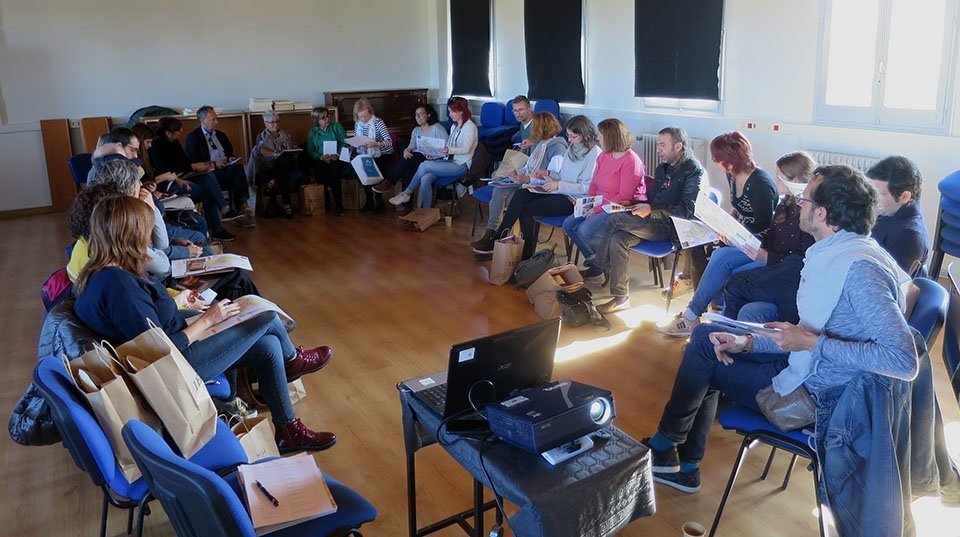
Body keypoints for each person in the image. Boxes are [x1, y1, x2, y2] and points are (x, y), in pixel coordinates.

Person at [642, 164, 914, 496]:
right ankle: (676, 459)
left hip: (818, 401)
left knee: (702, 348)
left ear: (823, 213)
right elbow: (800, 338)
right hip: (806, 369)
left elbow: (903, 360)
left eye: (806, 199)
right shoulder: (841, 252)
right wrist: (746, 343)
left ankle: (671, 453)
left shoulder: (858, 271)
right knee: (710, 339)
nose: (799, 203)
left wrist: (813, 343)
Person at [74, 195, 339, 453]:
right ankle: (292, 360)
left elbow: (147, 326)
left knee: (269, 344)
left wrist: (190, 311)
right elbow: (156, 353)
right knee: (266, 317)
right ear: (131, 234)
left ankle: (287, 430)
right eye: (146, 229)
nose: (150, 238)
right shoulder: (120, 285)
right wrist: (206, 321)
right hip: (175, 369)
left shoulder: (102, 273)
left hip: (179, 352)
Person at [658, 151, 816, 335]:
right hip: (767, 252)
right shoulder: (787, 202)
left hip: (777, 264)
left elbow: (798, 262)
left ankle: (711, 322)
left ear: (795, 180)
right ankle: (693, 316)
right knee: (721, 254)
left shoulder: (807, 214)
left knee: (730, 272)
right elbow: (772, 233)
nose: (776, 180)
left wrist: (766, 255)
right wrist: (738, 238)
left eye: (780, 177)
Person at [589, 127, 704, 313]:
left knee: (614, 220)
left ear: (678, 146)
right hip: (652, 222)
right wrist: (633, 203)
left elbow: (686, 211)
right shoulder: (663, 168)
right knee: (618, 238)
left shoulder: (692, 170)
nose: (658, 149)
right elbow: (653, 198)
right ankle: (621, 298)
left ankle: (599, 261)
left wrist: (652, 210)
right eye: (658, 144)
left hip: (671, 227)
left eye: (662, 145)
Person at [484, 115, 601, 260]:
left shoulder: (594, 153)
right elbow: (563, 174)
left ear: (585, 134)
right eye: (568, 136)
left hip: (575, 200)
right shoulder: (572, 148)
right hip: (561, 191)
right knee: (521, 194)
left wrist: (558, 184)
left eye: (573, 136)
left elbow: (587, 187)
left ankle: (523, 253)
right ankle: (500, 235)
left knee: (527, 210)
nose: (569, 140)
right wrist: (548, 173)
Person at [469, 112, 568, 253]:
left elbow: (553, 179)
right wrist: (518, 173)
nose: (532, 130)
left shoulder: (557, 148)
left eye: (535, 127)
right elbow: (529, 166)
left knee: (520, 198)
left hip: (548, 190)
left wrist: (527, 179)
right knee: (505, 190)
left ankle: (498, 237)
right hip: (532, 184)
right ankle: (496, 236)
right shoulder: (541, 144)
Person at [559, 118, 644, 271]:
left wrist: (597, 209)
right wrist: (587, 204)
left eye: (600, 135)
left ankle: (604, 262)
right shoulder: (604, 155)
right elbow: (594, 184)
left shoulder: (631, 161)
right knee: (568, 225)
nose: (597, 138)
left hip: (620, 207)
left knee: (585, 230)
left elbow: (624, 198)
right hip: (600, 203)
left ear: (611, 137)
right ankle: (598, 260)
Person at [149, 116, 237, 242]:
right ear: (168, 133)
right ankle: (218, 227)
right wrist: (191, 167)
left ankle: (223, 208)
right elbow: (165, 169)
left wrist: (196, 166)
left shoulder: (174, 141)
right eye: (179, 130)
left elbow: (184, 161)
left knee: (208, 176)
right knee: (208, 192)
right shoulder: (156, 147)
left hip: (183, 175)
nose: (181, 132)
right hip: (169, 183)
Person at [388, 97, 478, 210]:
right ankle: (427, 212)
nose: (449, 114)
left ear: (461, 111)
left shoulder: (470, 127)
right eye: (449, 111)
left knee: (424, 165)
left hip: (461, 165)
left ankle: (406, 193)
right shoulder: (454, 126)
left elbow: (466, 149)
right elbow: (449, 145)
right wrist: (439, 148)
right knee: (425, 179)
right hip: (450, 161)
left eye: (452, 111)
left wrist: (449, 150)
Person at [371, 104, 448, 215]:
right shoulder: (416, 130)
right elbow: (411, 146)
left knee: (414, 158)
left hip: (436, 161)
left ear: (429, 115)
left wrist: (431, 152)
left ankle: (389, 181)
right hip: (420, 162)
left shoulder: (437, 128)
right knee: (409, 170)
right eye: (416, 115)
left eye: (421, 114)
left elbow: (447, 148)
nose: (418, 117)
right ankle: (407, 207)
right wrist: (406, 150)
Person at [184, 106, 251, 221]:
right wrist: (215, 165)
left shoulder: (220, 135)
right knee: (219, 176)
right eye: (213, 120)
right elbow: (193, 161)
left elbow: (229, 152)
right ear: (202, 120)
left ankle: (242, 203)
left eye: (216, 119)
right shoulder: (193, 137)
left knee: (238, 168)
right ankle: (227, 209)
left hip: (226, 168)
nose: (217, 122)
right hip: (209, 172)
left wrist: (230, 159)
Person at [866, 156, 930, 276]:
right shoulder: (887, 211)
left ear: (904, 196)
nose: (871, 199)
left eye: (879, 194)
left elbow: (887, 286)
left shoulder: (908, 237)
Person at [252, 110, 299, 218]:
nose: (275, 124)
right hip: (270, 165)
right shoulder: (261, 136)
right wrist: (274, 154)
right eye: (272, 122)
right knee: (284, 174)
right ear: (265, 123)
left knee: (286, 160)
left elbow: (294, 147)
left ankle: (273, 180)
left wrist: (293, 150)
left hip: (287, 163)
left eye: (277, 121)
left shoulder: (286, 134)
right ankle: (287, 205)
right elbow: (260, 150)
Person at [351, 98, 393, 213]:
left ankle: (379, 200)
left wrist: (377, 144)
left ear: (370, 112)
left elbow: (389, 142)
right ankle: (369, 200)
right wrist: (354, 145)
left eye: (366, 116)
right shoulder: (358, 124)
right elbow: (357, 138)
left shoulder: (378, 122)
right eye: (361, 117)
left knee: (374, 168)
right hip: (365, 153)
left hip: (382, 153)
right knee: (360, 169)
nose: (363, 119)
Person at [306, 107, 349, 216]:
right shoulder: (313, 132)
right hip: (321, 158)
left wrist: (337, 154)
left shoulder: (336, 126)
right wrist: (321, 157)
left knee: (334, 170)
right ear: (317, 120)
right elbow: (310, 151)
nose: (327, 119)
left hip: (337, 157)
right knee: (320, 169)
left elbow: (345, 143)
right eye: (323, 118)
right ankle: (325, 202)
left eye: (327, 116)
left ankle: (339, 204)